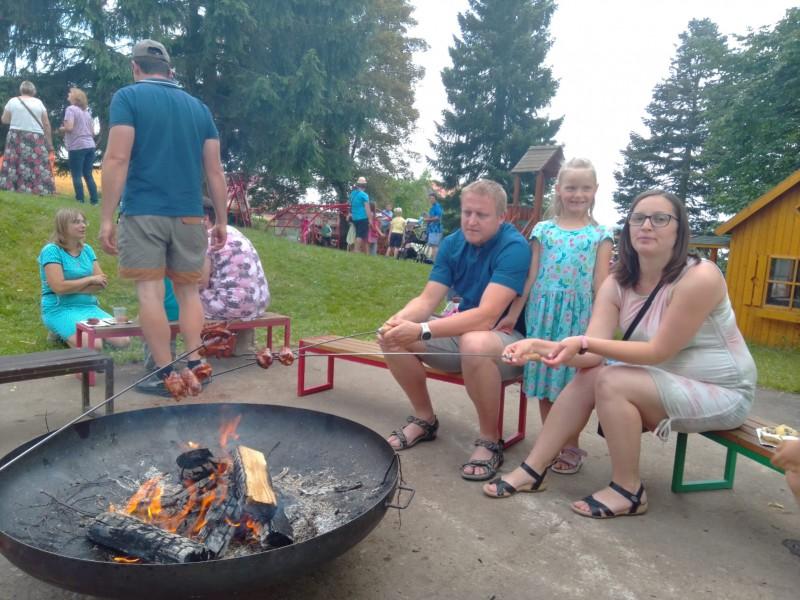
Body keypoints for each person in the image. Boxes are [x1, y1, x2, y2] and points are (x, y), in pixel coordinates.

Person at [486, 189, 756, 519]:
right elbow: (589, 355)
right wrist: (538, 346)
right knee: (593, 374)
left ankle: (629, 490)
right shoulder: (618, 282)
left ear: (679, 230)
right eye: (638, 218)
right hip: (663, 381)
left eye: (660, 219)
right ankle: (533, 469)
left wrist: (583, 342)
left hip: (722, 392)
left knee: (612, 379)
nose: (647, 225)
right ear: (627, 228)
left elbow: (657, 351)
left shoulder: (700, 277)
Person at [378, 179, 531, 481]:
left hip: (508, 344)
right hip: (462, 335)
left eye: (482, 215)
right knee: (390, 337)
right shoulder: (452, 244)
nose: (471, 221)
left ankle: (490, 440)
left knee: (474, 343)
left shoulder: (514, 247)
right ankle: (424, 419)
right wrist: (398, 320)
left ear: (501, 217)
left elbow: (487, 316)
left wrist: (422, 330)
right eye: (467, 212)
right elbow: (427, 300)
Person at [100, 39, 228, 398]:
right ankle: (197, 366)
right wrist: (221, 218)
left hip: (144, 212)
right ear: (170, 71)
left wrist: (106, 217)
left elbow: (117, 159)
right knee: (189, 293)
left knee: (150, 293)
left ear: (135, 67)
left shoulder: (128, 98)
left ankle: (166, 374)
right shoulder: (199, 109)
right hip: (190, 215)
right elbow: (214, 170)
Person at [498, 158, 613, 475]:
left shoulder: (600, 235)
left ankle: (571, 445)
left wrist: (600, 329)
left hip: (578, 317)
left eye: (585, 188)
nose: (578, 194)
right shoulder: (543, 230)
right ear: (559, 189)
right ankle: (552, 443)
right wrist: (514, 315)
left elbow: (602, 285)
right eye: (571, 187)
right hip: (543, 314)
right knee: (546, 379)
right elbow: (530, 277)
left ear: (595, 190)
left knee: (571, 383)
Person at [38, 208, 130, 350]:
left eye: (83, 221)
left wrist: (70, 287)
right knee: (94, 346)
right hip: (60, 308)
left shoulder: (87, 249)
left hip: (88, 307)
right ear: (63, 226)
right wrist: (89, 280)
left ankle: (73, 334)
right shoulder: (52, 250)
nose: (83, 225)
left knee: (123, 341)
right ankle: (61, 333)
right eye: (76, 222)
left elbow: (101, 283)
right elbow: (58, 288)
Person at [0, 80, 55, 195]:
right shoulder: (39, 103)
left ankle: (11, 186)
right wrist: (49, 143)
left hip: (16, 135)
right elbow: (46, 124)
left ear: (21, 90)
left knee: (14, 161)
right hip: (35, 136)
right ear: (33, 91)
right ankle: (38, 189)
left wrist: (17, 118)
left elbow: (4, 120)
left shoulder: (12, 101)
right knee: (36, 163)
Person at [58, 87, 98, 205]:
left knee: (76, 174)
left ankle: (80, 200)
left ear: (75, 97)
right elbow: (92, 133)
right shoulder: (87, 113)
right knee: (88, 174)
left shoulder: (71, 109)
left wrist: (61, 129)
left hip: (77, 146)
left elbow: (69, 128)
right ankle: (94, 201)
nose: (68, 95)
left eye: (70, 93)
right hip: (90, 145)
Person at [349, 176, 372, 254]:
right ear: (364, 185)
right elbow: (367, 208)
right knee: (360, 235)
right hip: (363, 217)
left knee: (358, 234)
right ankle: (356, 250)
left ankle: (355, 250)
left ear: (357, 184)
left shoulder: (352, 194)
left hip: (354, 217)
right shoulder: (364, 195)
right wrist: (370, 219)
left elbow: (350, 205)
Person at [423, 191, 443, 261]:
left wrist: (427, 219)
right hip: (432, 229)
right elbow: (432, 216)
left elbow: (438, 217)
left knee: (435, 246)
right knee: (433, 246)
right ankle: (433, 260)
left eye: (432, 198)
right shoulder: (433, 207)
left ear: (436, 199)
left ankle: (435, 261)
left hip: (436, 229)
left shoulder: (437, 206)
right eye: (430, 198)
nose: (431, 200)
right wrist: (427, 216)